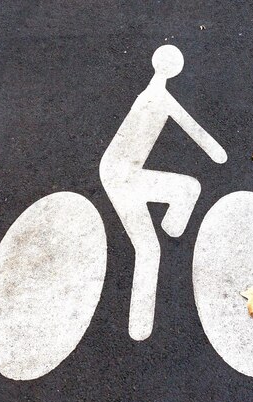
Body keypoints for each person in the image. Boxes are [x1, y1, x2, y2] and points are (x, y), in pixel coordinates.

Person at [100, 45, 227, 341]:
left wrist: (215, 151)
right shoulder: (159, 98)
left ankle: (140, 326)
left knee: (149, 249)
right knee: (188, 189)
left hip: (116, 172)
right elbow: (197, 133)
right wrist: (218, 153)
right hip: (123, 175)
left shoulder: (147, 95)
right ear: (174, 70)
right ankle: (172, 226)